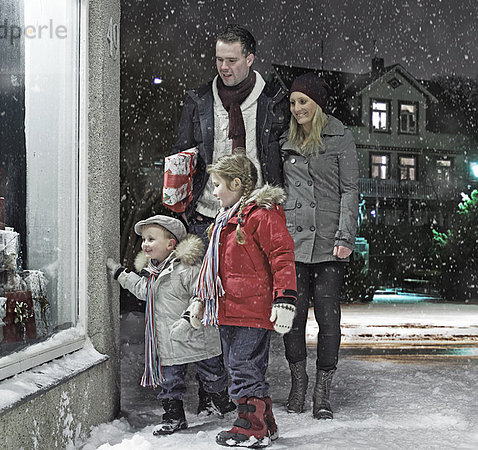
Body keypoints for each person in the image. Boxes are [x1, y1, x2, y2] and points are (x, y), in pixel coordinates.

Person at [192, 153, 297, 448]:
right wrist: (200, 300)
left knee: (241, 366)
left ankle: (251, 427)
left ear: (237, 184)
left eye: (217, 185)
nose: (213, 192)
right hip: (230, 308)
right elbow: (211, 268)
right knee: (245, 366)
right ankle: (265, 422)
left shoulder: (260, 216)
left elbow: (282, 256)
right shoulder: (225, 221)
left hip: (252, 309)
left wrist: (285, 299)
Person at [106, 215, 235, 436]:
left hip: (197, 336)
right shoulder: (152, 272)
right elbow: (143, 290)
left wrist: (188, 320)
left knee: (212, 374)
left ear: (170, 244)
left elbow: (201, 295)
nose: (145, 244)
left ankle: (221, 401)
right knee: (169, 382)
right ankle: (174, 417)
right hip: (168, 340)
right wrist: (121, 274)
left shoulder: (188, 268)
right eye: (144, 239)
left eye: (151, 239)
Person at [280, 72, 359, 419]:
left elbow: (350, 190)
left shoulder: (340, 137)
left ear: (317, 104)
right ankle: (298, 383)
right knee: (291, 318)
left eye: (303, 102)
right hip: (293, 242)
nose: (297, 108)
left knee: (329, 319)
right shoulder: (283, 140)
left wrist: (345, 237)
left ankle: (322, 391)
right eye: (294, 102)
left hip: (329, 242)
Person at [172, 24, 290, 240]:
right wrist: (180, 212)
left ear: (250, 59)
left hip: (257, 218)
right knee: (202, 276)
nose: (223, 67)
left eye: (231, 61)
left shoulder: (275, 101)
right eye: (219, 59)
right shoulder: (199, 101)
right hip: (205, 219)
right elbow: (180, 157)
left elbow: (289, 162)